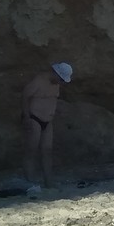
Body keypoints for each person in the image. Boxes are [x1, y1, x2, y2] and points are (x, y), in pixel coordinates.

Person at [22, 62, 71, 191]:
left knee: (47, 151)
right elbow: (25, 96)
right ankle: (29, 181)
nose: (61, 82)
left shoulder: (56, 84)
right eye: (61, 79)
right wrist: (26, 116)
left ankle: (49, 182)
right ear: (56, 73)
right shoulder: (39, 81)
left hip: (48, 121)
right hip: (35, 118)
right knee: (31, 150)